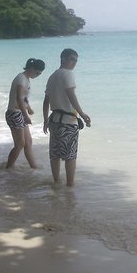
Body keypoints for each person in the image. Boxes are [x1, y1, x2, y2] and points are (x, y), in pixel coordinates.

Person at [43, 48, 91, 187]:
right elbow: (71, 95)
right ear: (63, 58)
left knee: (55, 154)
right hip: (68, 122)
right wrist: (82, 114)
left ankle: (56, 183)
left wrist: (46, 120)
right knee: (70, 156)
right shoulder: (68, 74)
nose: (74, 62)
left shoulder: (52, 76)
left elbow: (46, 100)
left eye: (76, 60)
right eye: (72, 59)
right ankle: (70, 186)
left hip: (55, 120)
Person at [5, 57, 46, 170]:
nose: (37, 75)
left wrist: (29, 108)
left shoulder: (26, 79)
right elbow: (18, 97)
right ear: (31, 68)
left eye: (40, 74)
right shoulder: (21, 79)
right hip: (14, 114)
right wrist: (26, 115)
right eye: (37, 73)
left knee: (28, 142)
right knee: (19, 145)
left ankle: (34, 168)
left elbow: (24, 99)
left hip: (19, 113)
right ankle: (8, 168)